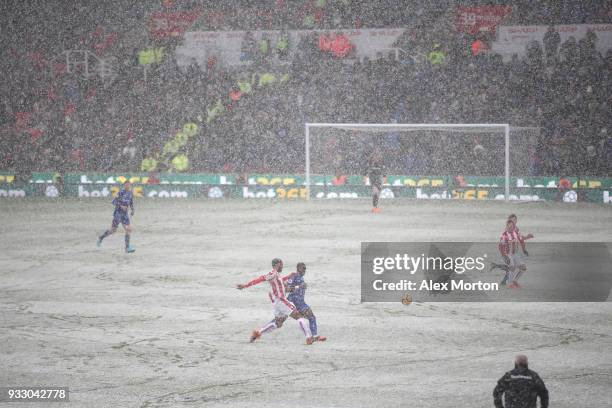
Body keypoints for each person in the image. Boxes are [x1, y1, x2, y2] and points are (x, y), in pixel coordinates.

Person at [236, 258, 314, 345]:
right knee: (299, 316)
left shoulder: (277, 276)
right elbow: (260, 279)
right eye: (281, 264)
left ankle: (257, 333)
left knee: (278, 323)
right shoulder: (273, 273)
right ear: (277, 264)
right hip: (281, 301)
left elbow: (285, 286)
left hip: (277, 302)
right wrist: (245, 285)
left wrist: (295, 284)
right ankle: (308, 337)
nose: (282, 266)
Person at [286, 262, 326, 342]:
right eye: (302, 268)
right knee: (279, 320)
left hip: (301, 303)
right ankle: (259, 332)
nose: (304, 270)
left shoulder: (301, 277)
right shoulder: (293, 276)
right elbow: (287, 288)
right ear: (298, 268)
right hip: (292, 302)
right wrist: (299, 287)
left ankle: (314, 336)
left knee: (311, 317)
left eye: (305, 268)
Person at [97, 181, 135, 253]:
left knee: (129, 229)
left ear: (130, 186)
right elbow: (114, 202)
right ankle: (101, 237)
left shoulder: (130, 193)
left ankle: (127, 248)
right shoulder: (121, 192)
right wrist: (121, 206)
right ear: (124, 185)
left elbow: (131, 202)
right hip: (118, 214)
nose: (127, 186)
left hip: (125, 215)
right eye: (126, 185)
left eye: (129, 185)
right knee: (112, 231)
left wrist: (132, 210)